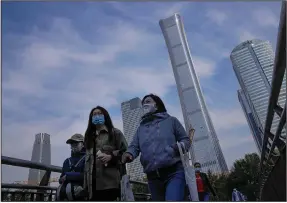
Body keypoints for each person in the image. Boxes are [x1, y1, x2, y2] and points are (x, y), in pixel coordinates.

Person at [122, 94, 191, 201]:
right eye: (143, 103)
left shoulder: (171, 121)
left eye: (148, 101)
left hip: (173, 172)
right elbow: (134, 146)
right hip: (152, 177)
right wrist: (129, 154)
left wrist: (176, 148)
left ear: (157, 105)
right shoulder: (141, 128)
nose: (145, 104)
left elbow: (186, 140)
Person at [83, 106, 128, 201]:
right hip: (91, 186)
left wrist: (111, 157)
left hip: (110, 184)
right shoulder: (88, 137)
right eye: (94, 114)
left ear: (105, 116)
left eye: (99, 113)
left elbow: (127, 153)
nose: (97, 116)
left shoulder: (115, 133)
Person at [57, 134, 86, 201]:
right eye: (72, 144)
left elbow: (86, 176)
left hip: (81, 195)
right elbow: (61, 178)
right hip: (65, 195)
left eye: (76, 143)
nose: (73, 146)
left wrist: (68, 176)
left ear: (83, 144)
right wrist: (61, 179)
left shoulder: (87, 159)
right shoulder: (67, 161)